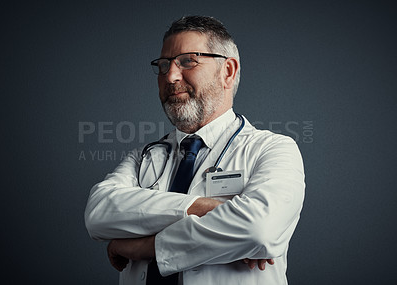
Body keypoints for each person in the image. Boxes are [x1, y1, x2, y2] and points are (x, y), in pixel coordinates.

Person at [85, 15, 305, 285]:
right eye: (164, 64)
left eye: (188, 61)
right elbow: (98, 213)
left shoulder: (273, 149)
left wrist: (140, 247)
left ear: (228, 71)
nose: (171, 76)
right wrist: (201, 208)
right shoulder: (144, 156)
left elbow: (259, 230)